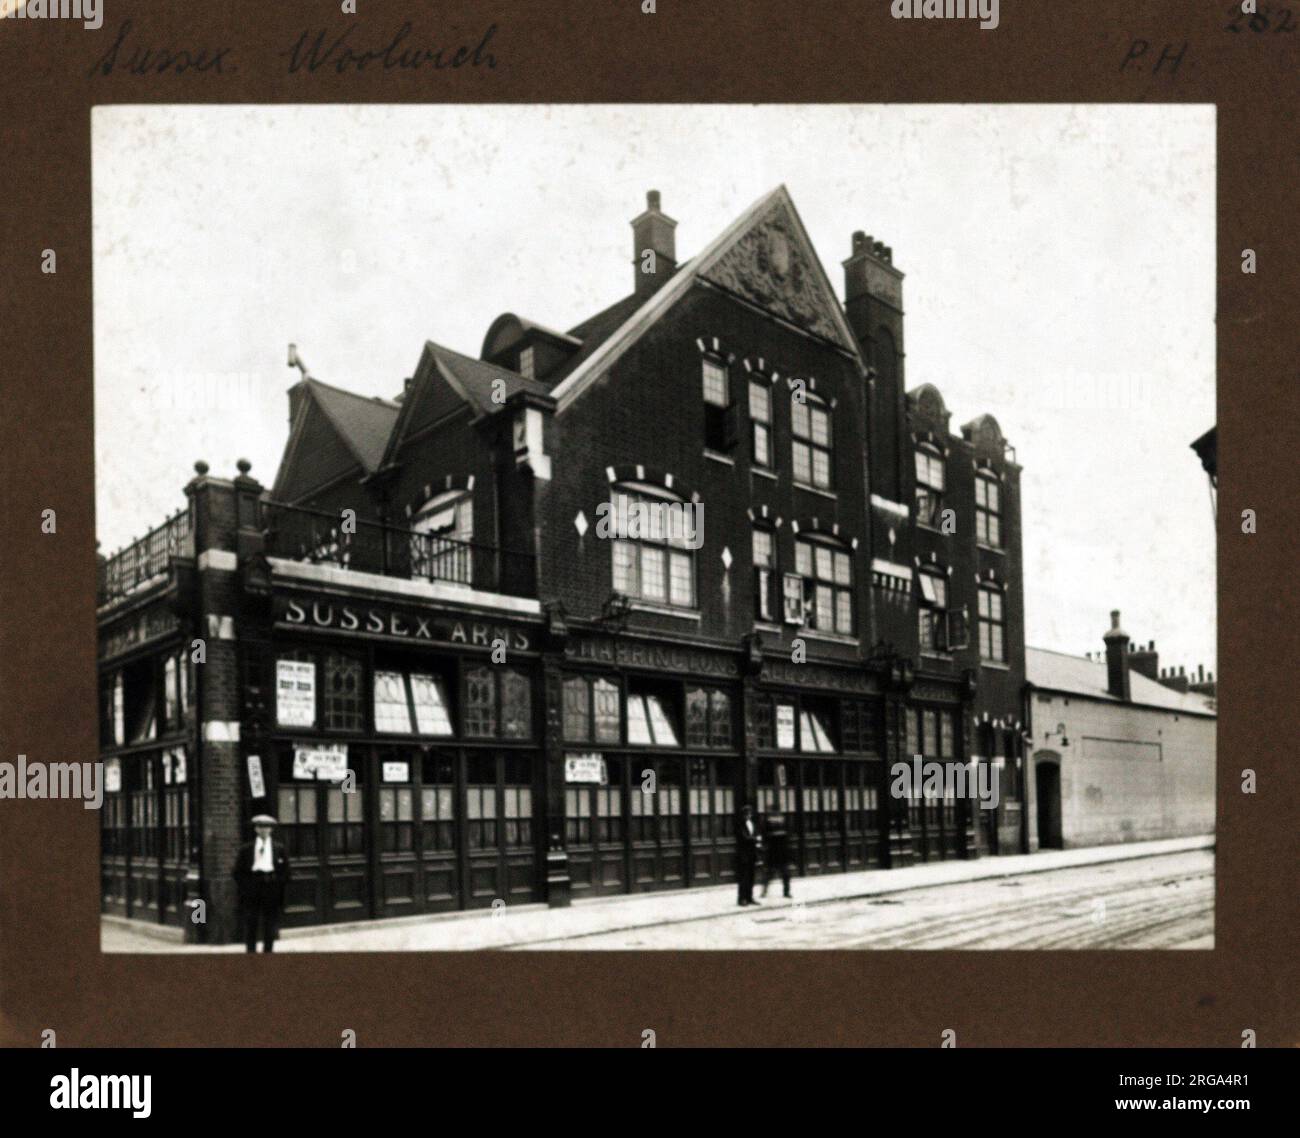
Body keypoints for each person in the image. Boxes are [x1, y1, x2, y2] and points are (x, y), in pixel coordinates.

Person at [232, 813, 289, 953]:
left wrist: (277, 884)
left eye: (267, 827)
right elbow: (236, 872)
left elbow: (286, 871)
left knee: (270, 923)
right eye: (261, 827)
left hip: (271, 886)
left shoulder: (279, 848)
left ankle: (267, 953)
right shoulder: (246, 849)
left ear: (271, 830)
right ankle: (251, 954)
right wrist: (247, 886)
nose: (264, 830)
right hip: (253, 887)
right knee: (251, 922)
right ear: (256, 829)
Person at [761, 800, 792, 899]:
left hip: (773, 850)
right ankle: (786, 892)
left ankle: (765, 891)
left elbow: (764, 833)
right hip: (781, 850)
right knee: (784, 873)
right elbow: (788, 833)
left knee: (770, 873)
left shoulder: (767, 819)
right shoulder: (783, 819)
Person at [736, 804, 761, 906]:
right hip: (743, 854)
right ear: (743, 815)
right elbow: (744, 838)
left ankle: (750, 897)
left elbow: (756, 835)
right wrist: (755, 839)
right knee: (743, 878)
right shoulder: (740, 824)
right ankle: (742, 899)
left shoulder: (752, 824)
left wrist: (756, 839)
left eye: (749, 813)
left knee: (751, 877)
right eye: (746, 814)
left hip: (752, 854)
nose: (748, 816)